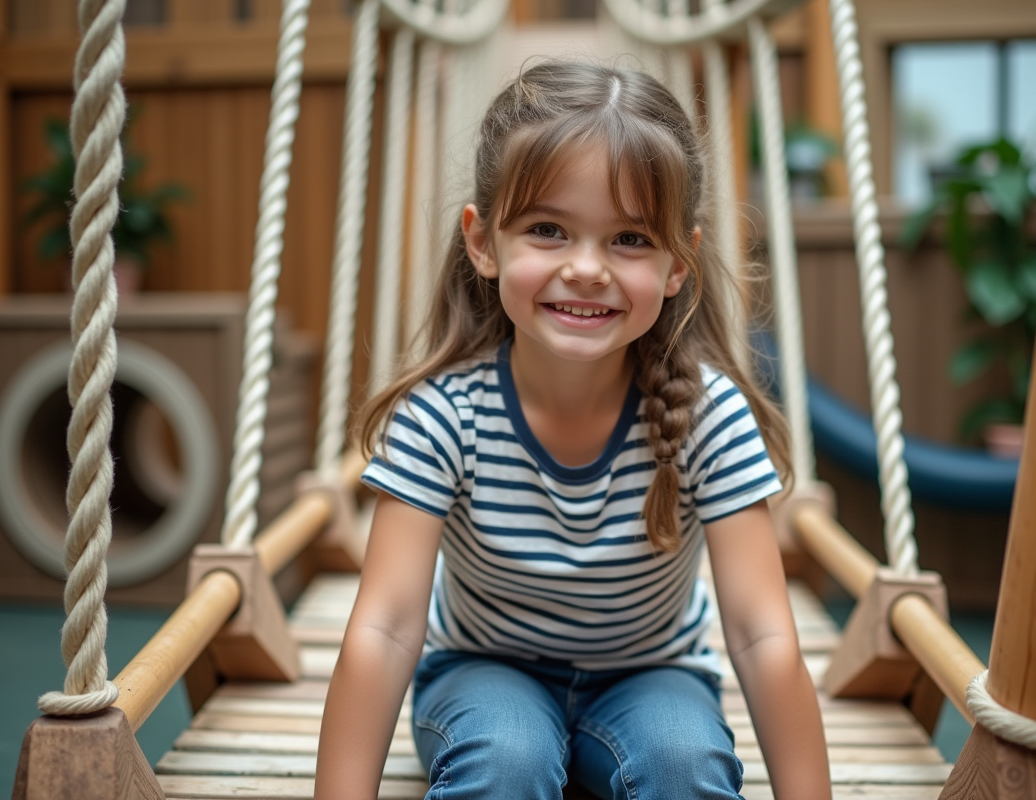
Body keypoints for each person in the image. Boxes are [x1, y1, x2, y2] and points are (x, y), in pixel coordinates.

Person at [315, 60, 831, 800]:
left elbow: (762, 635)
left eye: (628, 239)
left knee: (685, 763)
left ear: (678, 263)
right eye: (548, 230)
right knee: (507, 760)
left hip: (651, 673)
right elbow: (388, 627)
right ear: (483, 241)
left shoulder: (708, 419)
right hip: (481, 669)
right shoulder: (443, 417)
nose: (587, 269)